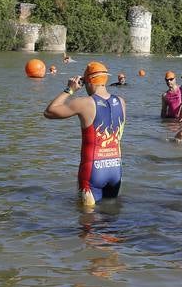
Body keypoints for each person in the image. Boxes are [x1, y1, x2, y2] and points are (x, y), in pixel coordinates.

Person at [44, 61, 126, 208]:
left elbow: (49, 112)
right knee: (111, 218)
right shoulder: (121, 102)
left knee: (87, 224)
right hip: (115, 169)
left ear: (88, 81)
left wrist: (69, 89)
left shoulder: (85, 103)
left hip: (93, 171)